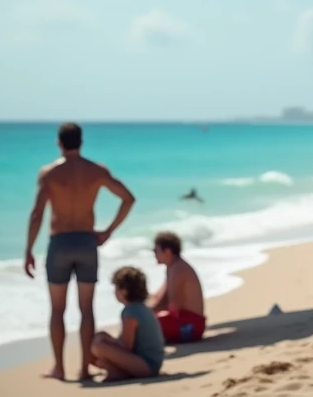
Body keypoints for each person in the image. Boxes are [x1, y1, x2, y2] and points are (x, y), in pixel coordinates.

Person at [24, 122, 136, 382]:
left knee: (57, 310)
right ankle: (84, 369)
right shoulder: (96, 170)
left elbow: (37, 213)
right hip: (87, 243)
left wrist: (28, 249)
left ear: (58, 142)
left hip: (60, 244)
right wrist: (108, 231)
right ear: (81, 142)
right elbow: (128, 198)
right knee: (86, 309)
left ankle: (59, 368)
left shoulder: (49, 173)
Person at [91, 267, 164, 381]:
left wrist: (108, 341)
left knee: (98, 346)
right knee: (98, 349)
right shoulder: (141, 307)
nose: (114, 292)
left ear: (124, 291)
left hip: (147, 365)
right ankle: (117, 371)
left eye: (116, 288)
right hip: (148, 363)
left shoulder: (131, 312)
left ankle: (118, 373)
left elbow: (126, 346)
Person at [148, 232, 206, 342]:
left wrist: (142, 313)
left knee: (146, 324)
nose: (154, 254)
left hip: (192, 326)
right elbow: (158, 297)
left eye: (156, 251)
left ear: (168, 251)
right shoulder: (172, 267)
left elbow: (171, 304)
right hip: (191, 323)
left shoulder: (178, 269)